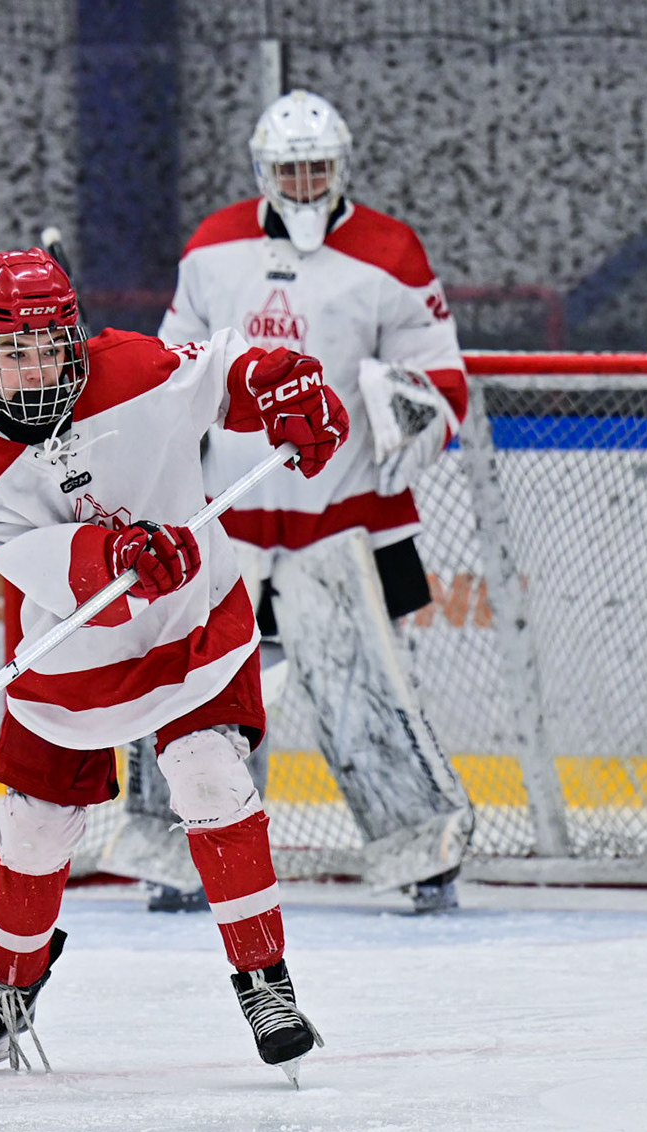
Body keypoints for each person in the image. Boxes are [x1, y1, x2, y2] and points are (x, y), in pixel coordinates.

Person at [0, 247, 346, 1083]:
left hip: (192, 620)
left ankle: (266, 984)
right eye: (12, 351)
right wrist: (108, 558)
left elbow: (222, 371)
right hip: (73, 650)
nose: (35, 368)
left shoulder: (135, 368)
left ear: (73, 337)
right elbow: (54, 572)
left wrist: (278, 386)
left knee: (208, 774)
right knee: (36, 823)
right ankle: (10, 987)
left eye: (49, 345)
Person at [134, 89, 473, 913]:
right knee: (201, 689)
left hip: (345, 519)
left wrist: (413, 415)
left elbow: (442, 374)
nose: (305, 184)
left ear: (342, 166)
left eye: (318, 168)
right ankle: (182, 853)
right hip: (228, 523)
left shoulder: (390, 250)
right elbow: (172, 369)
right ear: (263, 171)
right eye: (290, 170)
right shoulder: (213, 247)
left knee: (365, 697)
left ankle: (421, 854)